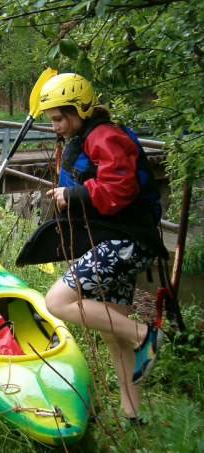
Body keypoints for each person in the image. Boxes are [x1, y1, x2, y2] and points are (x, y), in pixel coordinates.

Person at [35, 73, 167, 423]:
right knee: (112, 332)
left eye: (60, 119)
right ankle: (133, 414)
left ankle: (146, 335)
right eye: (53, 120)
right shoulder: (83, 138)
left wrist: (72, 194)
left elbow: (120, 189)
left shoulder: (105, 136)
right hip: (114, 240)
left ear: (80, 109)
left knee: (57, 301)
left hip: (128, 242)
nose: (56, 127)